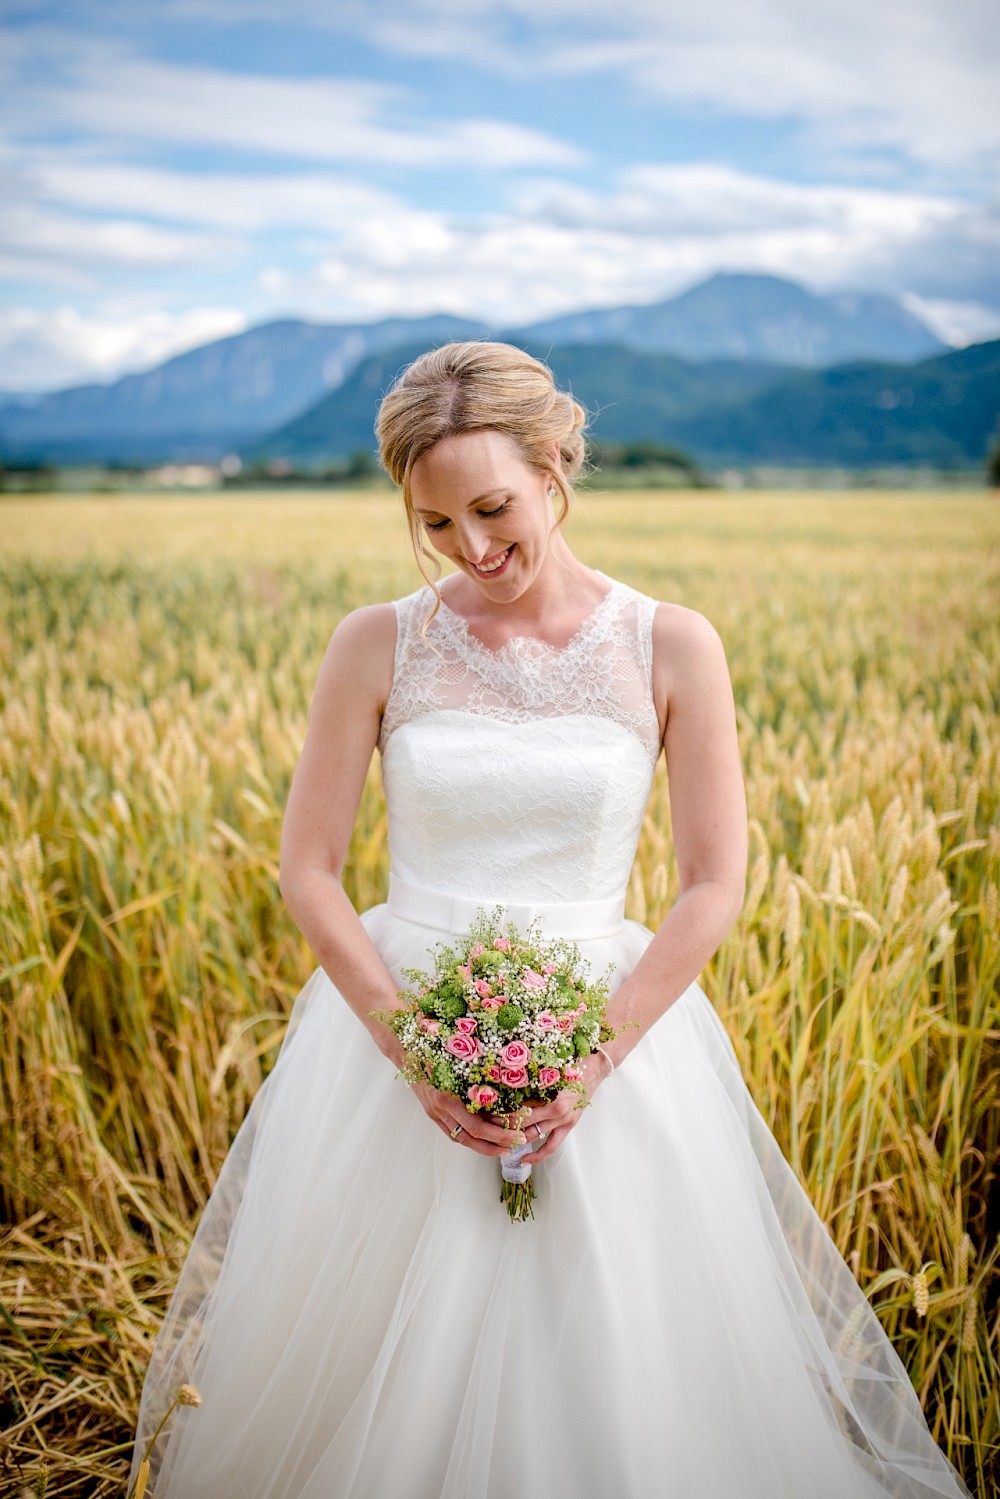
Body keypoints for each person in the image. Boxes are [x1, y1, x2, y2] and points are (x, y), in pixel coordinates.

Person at [129, 341, 973, 1499]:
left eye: (492, 507)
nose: (471, 549)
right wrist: (415, 1049)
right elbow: (310, 869)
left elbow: (711, 880)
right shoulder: (376, 641)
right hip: (399, 1028)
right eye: (433, 523)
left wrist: (593, 1056)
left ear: (556, 461)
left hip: (607, 1028)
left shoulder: (670, 642)